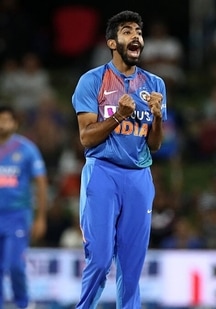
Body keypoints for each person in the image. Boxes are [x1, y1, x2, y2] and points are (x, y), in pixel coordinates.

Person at [71, 10, 167, 308]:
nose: (136, 36)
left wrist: (157, 117)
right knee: (100, 259)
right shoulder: (92, 81)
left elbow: (155, 144)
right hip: (103, 172)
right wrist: (119, 117)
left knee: (132, 263)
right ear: (112, 43)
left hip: (138, 176)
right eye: (127, 31)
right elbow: (86, 138)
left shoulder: (155, 85)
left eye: (138, 31)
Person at [0, 105, 48, 309]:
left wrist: (40, 218)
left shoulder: (26, 149)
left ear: (15, 123)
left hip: (17, 214)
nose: (2, 124)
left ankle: (24, 303)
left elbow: (41, 182)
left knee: (15, 265)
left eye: (6, 120)